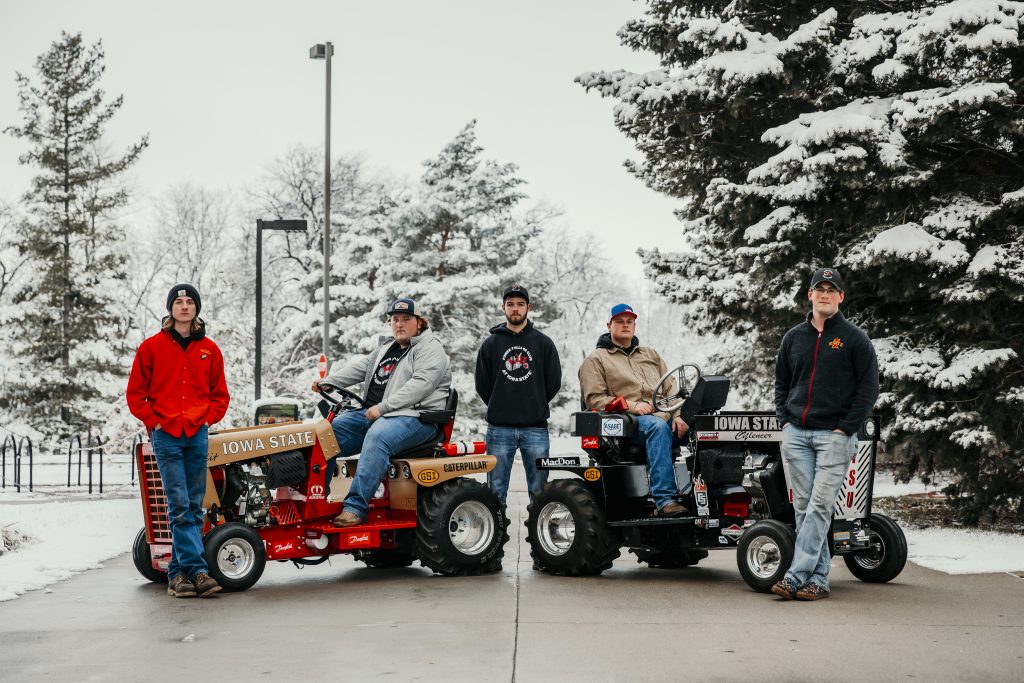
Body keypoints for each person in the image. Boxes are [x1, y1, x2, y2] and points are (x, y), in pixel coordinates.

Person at [771, 267, 879, 601]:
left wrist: (845, 428)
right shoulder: (793, 338)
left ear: (841, 297)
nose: (825, 295)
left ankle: (795, 575)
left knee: (819, 506)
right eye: (820, 289)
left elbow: (869, 388)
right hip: (797, 435)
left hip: (833, 437)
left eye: (832, 290)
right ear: (810, 295)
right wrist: (784, 421)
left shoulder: (854, 338)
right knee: (804, 508)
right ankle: (817, 581)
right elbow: (781, 383)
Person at [126, 284, 230, 598]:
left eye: (189, 302)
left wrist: (207, 418)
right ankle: (197, 572)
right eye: (178, 302)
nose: (184, 307)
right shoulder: (151, 347)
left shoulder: (209, 349)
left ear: (196, 309)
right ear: (171, 309)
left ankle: (177, 574)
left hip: (196, 434)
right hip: (166, 436)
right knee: (179, 506)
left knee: (194, 506)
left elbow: (220, 396)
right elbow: (135, 395)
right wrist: (155, 422)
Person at [313, 298, 451, 527]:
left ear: (419, 323)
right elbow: (360, 367)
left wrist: (383, 408)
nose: (400, 324)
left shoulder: (430, 348)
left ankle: (355, 508)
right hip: (376, 414)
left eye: (406, 319)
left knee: (378, 436)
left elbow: (420, 385)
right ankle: (316, 504)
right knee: (326, 433)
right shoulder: (387, 348)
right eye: (395, 320)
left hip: (417, 418)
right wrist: (329, 381)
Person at [578, 303, 691, 516]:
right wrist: (633, 406)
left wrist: (678, 415)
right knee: (657, 428)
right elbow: (595, 399)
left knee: (705, 428)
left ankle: (708, 493)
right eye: (619, 321)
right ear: (609, 325)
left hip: (663, 415)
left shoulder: (651, 355)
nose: (625, 325)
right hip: (626, 422)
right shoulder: (597, 359)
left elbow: (671, 388)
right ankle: (665, 499)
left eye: (629, 321)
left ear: (634, 325)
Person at [475, 284, 562, 504]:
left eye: (520, 304)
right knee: (495, 492)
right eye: (510, 304)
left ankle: (539, 536)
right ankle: (496, 536)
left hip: (535, 428)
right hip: (499, 429)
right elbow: (482, 384)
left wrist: (535, 404)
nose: (515, 309)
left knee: (540, 492)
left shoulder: (543, 343)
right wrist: (500, 404)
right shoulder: (490, 344)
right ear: (503, 307)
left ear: (528, 307)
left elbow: (553, 382)